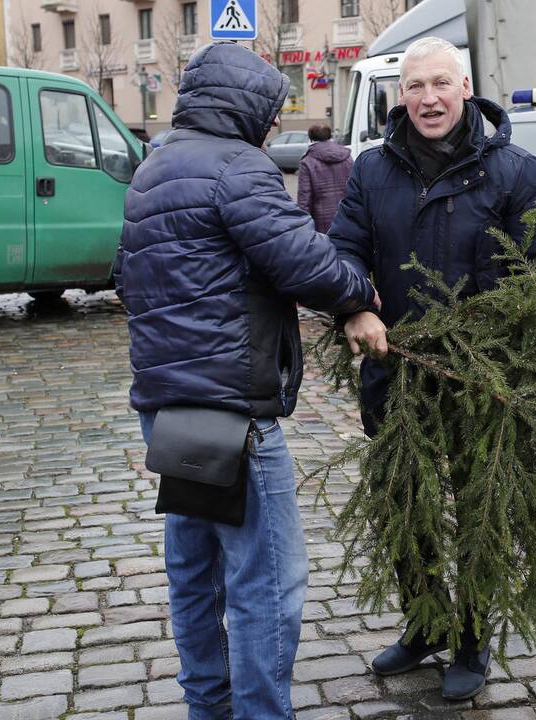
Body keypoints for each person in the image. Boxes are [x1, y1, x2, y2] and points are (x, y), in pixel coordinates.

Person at [114, 42, 377, 720]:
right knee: (267, 578)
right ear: (249, 108)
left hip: (168, 405)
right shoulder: (238, 167)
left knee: (194, 571)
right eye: (270, 113)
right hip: (233, 410)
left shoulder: (155, 167)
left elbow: (128, 278)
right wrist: (360, 295)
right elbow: (306, 263)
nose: (273, 128)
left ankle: (209, 707)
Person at [328, 36, 536, 700]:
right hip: (395, 377)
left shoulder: (516, 172)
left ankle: (471, 639)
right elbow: (343, 249)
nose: (427, 99)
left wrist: (504, 361)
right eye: (414, 87)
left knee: (478, 511)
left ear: (466, 88)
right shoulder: (372, 170)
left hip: (481, 384)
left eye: (439, 84)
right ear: (399, 96)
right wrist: (352, 307)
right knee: (408, 506)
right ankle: (425, 623)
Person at [296, 123, 353, 233]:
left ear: (311, 138)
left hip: (320, 224)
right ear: (329, 136)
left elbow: (304, 199)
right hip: (346, 218)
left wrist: (304, 228)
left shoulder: (307, 162)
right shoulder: (347, 157)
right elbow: (356, 189)